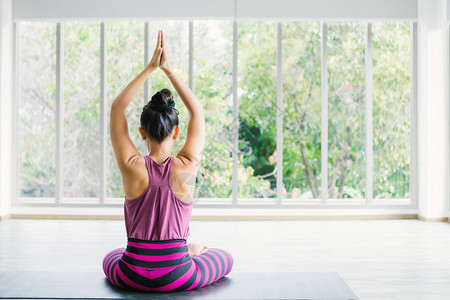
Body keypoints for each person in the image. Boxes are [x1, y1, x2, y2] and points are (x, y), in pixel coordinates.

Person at [102, 29, 233, 292]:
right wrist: (167, 69)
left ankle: (176, 251)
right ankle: (186, 250)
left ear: (141, 133)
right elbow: (197, 111)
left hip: (132, 275)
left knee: (111, 257)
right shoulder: (188, 164)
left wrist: (151, 68)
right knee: (225, 259)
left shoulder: (131, 165)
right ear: (176, 132)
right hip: (179, 276)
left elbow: (117, 107)